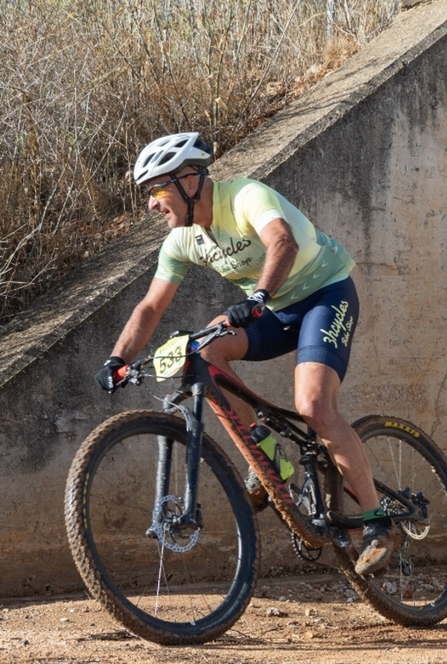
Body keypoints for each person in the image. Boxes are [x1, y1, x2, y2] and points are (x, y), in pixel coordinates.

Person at [93, 131, 397, 577]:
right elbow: (150, 306)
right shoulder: (183, 239)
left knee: (312, 404)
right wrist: (116, 359)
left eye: (156, 190)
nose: (152, 205)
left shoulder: (245, 196)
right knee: (202, 351)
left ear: (189, 180)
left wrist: (256, 297)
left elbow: (283, 243)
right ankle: (271, 455)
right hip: (270, 308)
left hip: (324, 294)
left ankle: (377, 523)